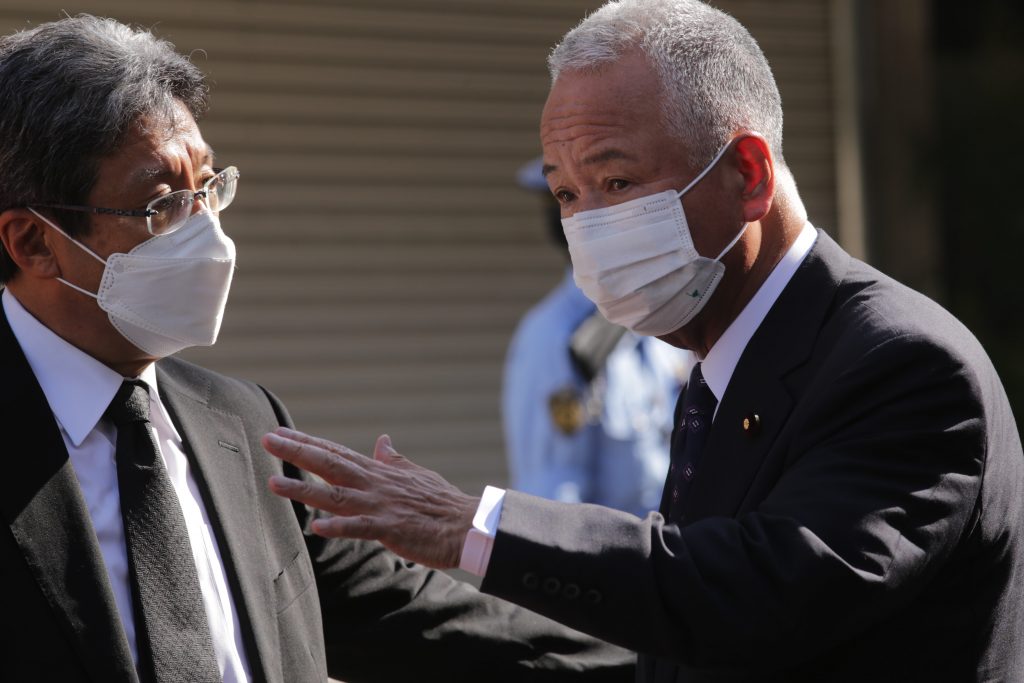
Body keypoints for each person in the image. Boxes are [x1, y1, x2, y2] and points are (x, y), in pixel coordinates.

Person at [262, 1, 1024, 681]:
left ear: (749, 175)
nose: (587, 226)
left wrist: (474, 527)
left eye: (616, 182)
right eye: (567, 194)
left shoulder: (903, 364)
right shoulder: (719, 361)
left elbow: (754, 595)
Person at [0, 15, 635, 683]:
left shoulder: (244, 426)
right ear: (34, 242)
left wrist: (674, 663)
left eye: (210, 188)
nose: (206, 234)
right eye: (161, 207)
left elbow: (430, 622)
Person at [504, 158, 690, 516]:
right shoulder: (555, 338)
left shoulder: (661, 316)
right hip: (618, 566)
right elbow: (555, 504)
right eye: (566, 200)